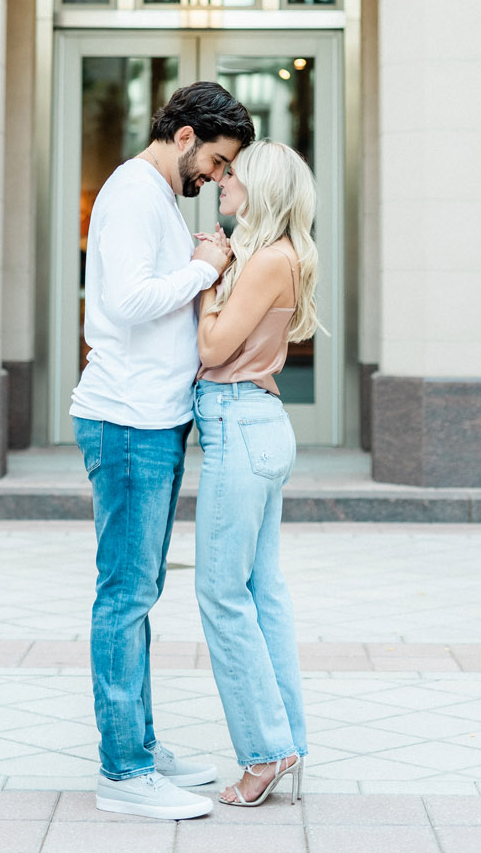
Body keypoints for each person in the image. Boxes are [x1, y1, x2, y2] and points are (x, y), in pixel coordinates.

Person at [71, 80, 255, 821]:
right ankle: (124, 770)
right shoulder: (132, 193)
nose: (215, 178)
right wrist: (208, 267)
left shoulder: (156, 198)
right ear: (184, 137)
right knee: (125, 597)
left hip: (150, 419)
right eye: (214, 161)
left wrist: (200, 257)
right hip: (127, 424)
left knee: (138, 593)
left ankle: (139, 743)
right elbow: (128, 302)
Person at [193, 139, 319, 808]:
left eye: (233, 175)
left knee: (221, 594)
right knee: (262, 593)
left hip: (239, 423)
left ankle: (266, 754)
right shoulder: (273, 257)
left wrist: (207, 279)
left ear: (261, 189)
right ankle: (286, 741)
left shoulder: (268, 259)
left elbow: (213, 347)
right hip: (256, 424)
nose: (222, 181)